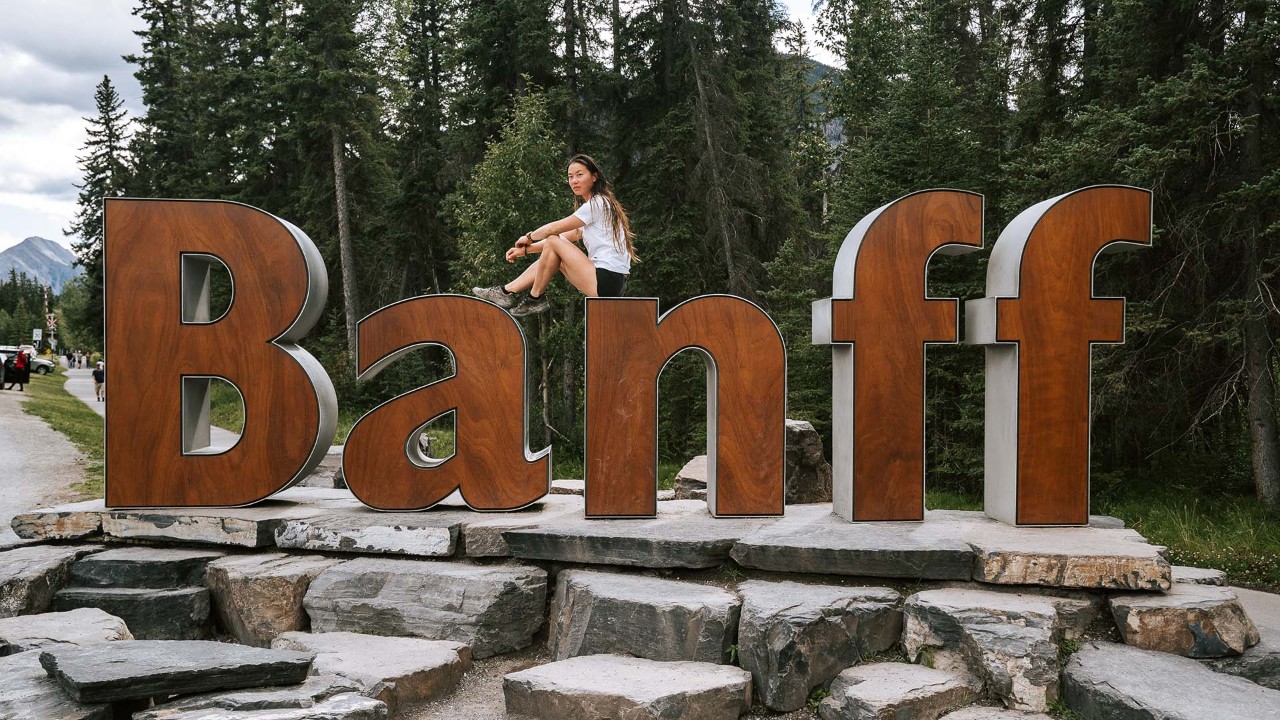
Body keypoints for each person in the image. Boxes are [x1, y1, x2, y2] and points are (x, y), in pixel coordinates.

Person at [472, 153, 636, 316]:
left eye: (580, 175)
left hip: (607, 279)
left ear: (594, 177)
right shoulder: (596, 208)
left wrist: (528, 237)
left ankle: (535, 298)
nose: (574, 181)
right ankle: (506, 292)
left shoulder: (598, 203)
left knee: (552, 240)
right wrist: (525, 250)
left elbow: (554, 231)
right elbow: (564, 239)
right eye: (570, 177)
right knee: (553, 252)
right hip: (611, 283)